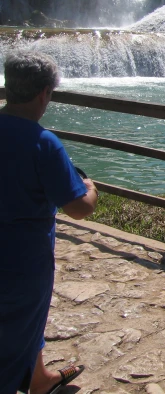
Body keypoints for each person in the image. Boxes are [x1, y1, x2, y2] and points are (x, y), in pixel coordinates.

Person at [0, 51, 98, 394]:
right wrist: (90, 189)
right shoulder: (43, 143)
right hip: (23, 256)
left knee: (25, 320)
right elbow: (79, 209)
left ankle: (39, 379)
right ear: (44, 93)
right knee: (19, 317)